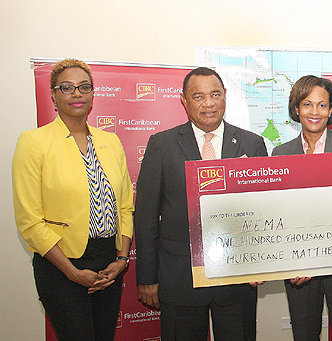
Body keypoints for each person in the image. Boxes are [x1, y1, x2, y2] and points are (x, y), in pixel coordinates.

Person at [135, 67, 268, 341]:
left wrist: (262, 263)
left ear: (225, 97)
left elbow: (263, 210)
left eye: (215, 94)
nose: (208, 103)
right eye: (198, 96)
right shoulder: (162, 144)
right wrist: (147, 277)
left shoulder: (251, 144)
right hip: (179, 277)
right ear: (184, 101)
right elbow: (146, 217)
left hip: (236, 278)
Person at [12, 58, 134, 341]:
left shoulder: (110, 141)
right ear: (53, 96)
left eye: (84, 87)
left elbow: (125, 206)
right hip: (60, 264)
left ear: (92, 95)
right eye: (66, 88)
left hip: (108, 263)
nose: (76, 94)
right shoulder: (34, 142)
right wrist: (72, 272)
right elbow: (30, 221)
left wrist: (122, 258)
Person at [272, 75, 332, 341]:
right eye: (307, 104)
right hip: (300, 270)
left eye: (322, 105)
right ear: (296, 109)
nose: (315, 112)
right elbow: (278, 215)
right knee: (304, 335)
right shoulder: (280, 154)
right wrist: (289, 265)